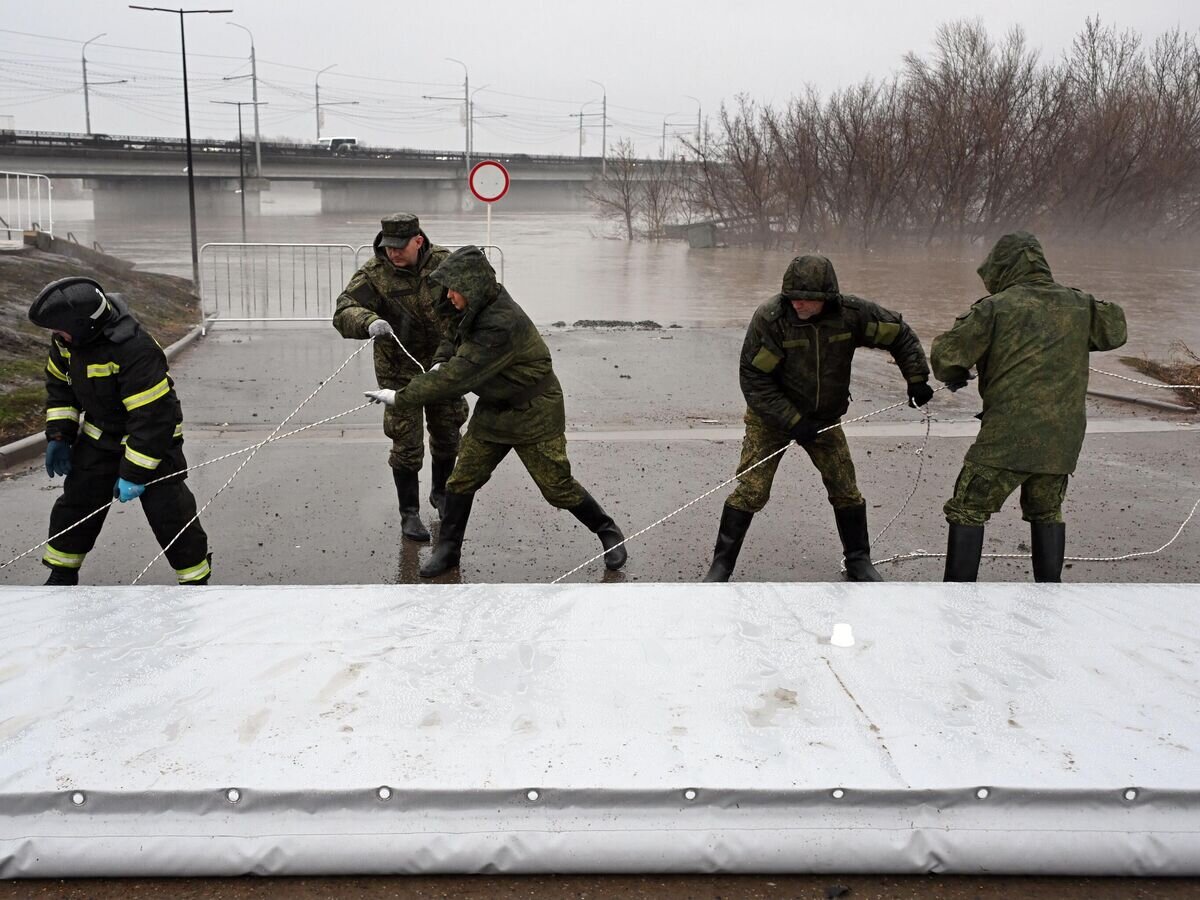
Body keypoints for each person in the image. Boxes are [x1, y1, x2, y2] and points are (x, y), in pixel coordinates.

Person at [363, 245, 628, 579]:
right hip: (494, 410)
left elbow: (458, 377)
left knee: (556, 487)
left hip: (533, 411)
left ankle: (608, 531)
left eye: (454, 289)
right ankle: (447, 552)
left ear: (471, 288)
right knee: (460, 481)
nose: (448, 295)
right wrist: (440, 359)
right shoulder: (471, 306)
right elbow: (451, 336)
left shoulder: (500, 324)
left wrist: (400, 397)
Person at [703, 255, 933, 583]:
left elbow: (899, 334)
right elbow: (753, 379)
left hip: (825, 419)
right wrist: (793, 421)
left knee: (845, 488)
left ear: (826, 298)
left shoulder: (852, 315)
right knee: (751, 491)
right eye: (791, 296)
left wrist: (916, 378)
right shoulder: (771, 319)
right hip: (771, 419)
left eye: (805, 298)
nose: (797, 303)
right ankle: (721, 566)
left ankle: (858, 560)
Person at [931, 231, 1127, 583]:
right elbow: (1115, 331)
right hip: (1062, 438)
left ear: (1003, 268)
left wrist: (964, 368)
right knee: (1046, 509)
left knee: (968, 508)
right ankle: (1049, 593)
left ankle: (957, 598)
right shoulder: (1080, 305)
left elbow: (946, 358)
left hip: (1008, 436)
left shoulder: (994, 307)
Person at [30, 277, 211, 586]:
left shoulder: (135, 349)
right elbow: (60, 389)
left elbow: (153, 419)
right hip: (101, 436)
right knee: (77, 504)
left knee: (169, 512)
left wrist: (135, 472)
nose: (56, 336)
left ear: (84, 325)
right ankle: (62, 572)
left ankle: (195, 577)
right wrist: (59, 435)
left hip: (154, 442)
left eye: (60, 330)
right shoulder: (67, 342)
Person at [333, 213, 468, 542]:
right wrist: (367, 321)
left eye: (399, 246)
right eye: (387, 246)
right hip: (399, 371)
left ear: (418, 241)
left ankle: (441, 492)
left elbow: (471, 303)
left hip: (442, 365)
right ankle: (409, 513)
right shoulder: (374, 274)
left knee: (448, 432)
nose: (392, 252)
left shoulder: (444, 264)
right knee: (406, 444)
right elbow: (344, 310)